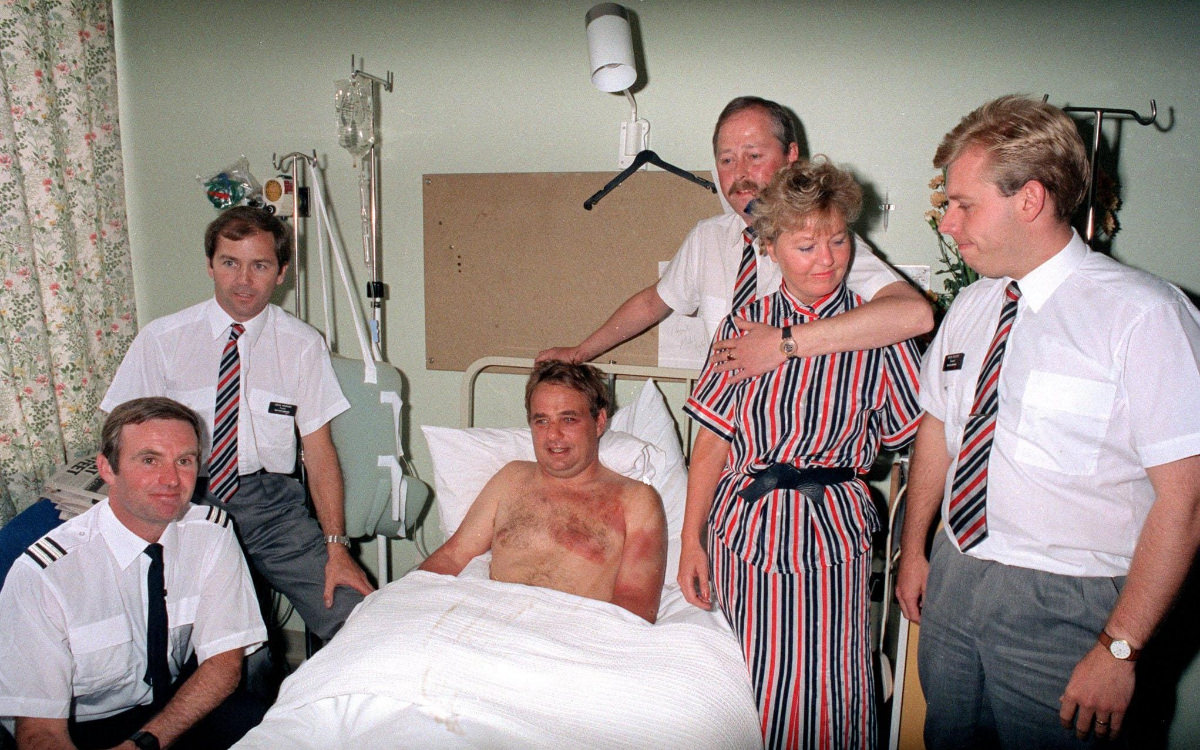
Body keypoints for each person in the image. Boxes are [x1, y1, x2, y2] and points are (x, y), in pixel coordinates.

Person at [895, 95, 1200, 749]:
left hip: (1070, 606)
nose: (947, 222)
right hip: (956, 579)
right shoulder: (972, 307)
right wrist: (916, 549)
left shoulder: (1144, 317)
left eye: (962, 204)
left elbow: (1187, 501)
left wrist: (1120, 650)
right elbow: (936, 430)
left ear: (1030, 200)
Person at [680, 158, 923, 749]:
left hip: (834, 529)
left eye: (838, 240)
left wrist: (912, 548)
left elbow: (915, 441)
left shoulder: (875, 330)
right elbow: (712, 439)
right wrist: (690, 539)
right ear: (771, 249)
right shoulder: (744, 323)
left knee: (836, 685)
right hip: (747, 527)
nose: (828, 259)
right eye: (807, 245)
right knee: (748, 684)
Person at [101, 206, 374, 645]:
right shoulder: (163, 340)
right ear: (210, 265)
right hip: (182, 499)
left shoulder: (303, 345)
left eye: (260, 265)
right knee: (229, 645)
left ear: (282, 271)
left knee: (358, 614)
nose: (243, 280)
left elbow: (319, 452)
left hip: (271, 508)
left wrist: (337, 547)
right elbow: (124, 443)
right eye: (230, 263)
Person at [537, 95, 932, 377]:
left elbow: (913, 314)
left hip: (796, 439)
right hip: (724, 433)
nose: (739, 172)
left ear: (791, 155)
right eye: (727, 160)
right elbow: (653, 302)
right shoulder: (708, 239)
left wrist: (784, 344)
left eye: (754, 155)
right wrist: (579, 352)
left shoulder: (822, 240)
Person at [0, 398, 268, 750]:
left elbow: (223, 664)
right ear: (107, 470)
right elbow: (40, 732)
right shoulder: (44, 575)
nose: (171, 480)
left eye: (184, 461)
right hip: (81, 726)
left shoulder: (212, 533)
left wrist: (144, 743)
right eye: (149, 460)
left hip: (172, 710)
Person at [419, 361, 667, 624]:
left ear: (599, 422)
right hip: (489, 625)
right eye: (542, 421)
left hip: (573, 637)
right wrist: (402, 596)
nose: (553, 435)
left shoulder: (635, 500)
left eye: (568, 419)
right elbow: (452, 556)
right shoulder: (512, 479)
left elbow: (636, 602)